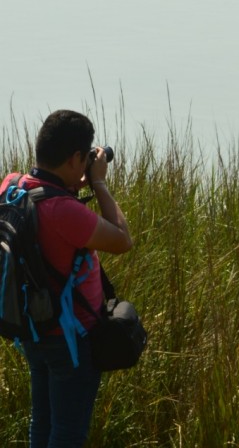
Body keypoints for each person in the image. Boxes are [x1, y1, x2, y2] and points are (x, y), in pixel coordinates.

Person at [0, 110, 133, 447]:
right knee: (68, 435)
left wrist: (71, 181)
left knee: (42, 424)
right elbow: (122, 239)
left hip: (32, 329)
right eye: (84, 156)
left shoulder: (11, 186)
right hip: (70, 339)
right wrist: (99, 182)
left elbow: (45, 212)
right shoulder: (64, 211)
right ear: (76, 157)